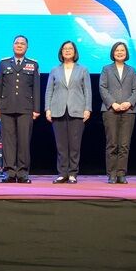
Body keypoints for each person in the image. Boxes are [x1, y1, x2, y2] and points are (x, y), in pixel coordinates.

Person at [0, 35, 40, 184]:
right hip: (6, 108)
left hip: (26, 108)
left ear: (27, 47)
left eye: (22, 43)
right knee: (8, 142)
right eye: (17, 43)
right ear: (13, 46)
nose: (19, 45)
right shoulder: (3, 63)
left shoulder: (33, 64)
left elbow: (36, 88)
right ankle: (9, 173)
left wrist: (36, 109)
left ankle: (22, 173)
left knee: (24, 141)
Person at [45, 41, 92, 184]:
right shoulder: (55, 70)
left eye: (70, 48)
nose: (67, 51)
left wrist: (87, 109)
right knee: (61, 145)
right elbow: (49, 90)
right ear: (61, 52)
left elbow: (87, 91)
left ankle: (72, 173)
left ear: (75, 52)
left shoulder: (83, 69)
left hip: (77, 110)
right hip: (57, 110)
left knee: (75, 144)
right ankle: (62, 173)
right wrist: (47, 109)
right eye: (65, 49)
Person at [99, 42, 136, 184]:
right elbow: (103, 88)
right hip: (110, 110)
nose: (120, 52)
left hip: (129, 111)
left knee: (124, 144)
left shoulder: (132, 70)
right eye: (117, 50)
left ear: (126, 53)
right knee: (112, 144)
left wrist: (129, 103)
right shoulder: (106, 69)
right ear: (113, 52)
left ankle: (121, 174)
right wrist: (113, 103)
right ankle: (111, 174)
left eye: (122, 50)